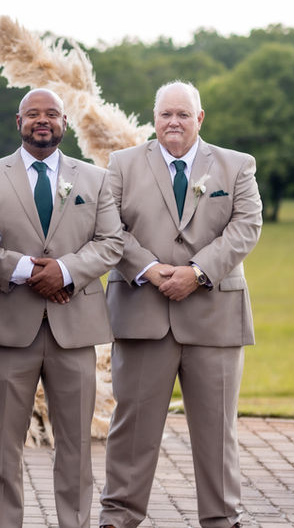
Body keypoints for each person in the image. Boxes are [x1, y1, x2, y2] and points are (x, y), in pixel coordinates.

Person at [99, 81, 262, 528]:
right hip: (141, 312)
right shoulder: (122, 165)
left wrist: (198, 272)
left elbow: (247, 226)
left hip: (215, 316)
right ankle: (118, 516)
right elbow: (109, 227)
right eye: (166, 114)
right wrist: (149, 269)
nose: (174, 122)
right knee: (132, 425)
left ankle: (222, 518)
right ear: (154, 118)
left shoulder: (236, 165)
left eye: (183, 114)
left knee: (217, 429)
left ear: (200, 118)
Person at [0, 88, 123, 528]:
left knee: (77, 445)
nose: (42, 120)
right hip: (11, 329)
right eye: (33, 114)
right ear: (18, 121)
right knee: (4, 445)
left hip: (74, 329)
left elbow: (111, 243)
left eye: (52, 114)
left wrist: (64, 271)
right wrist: (28, 270)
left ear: (64, 122)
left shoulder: (95, 179)